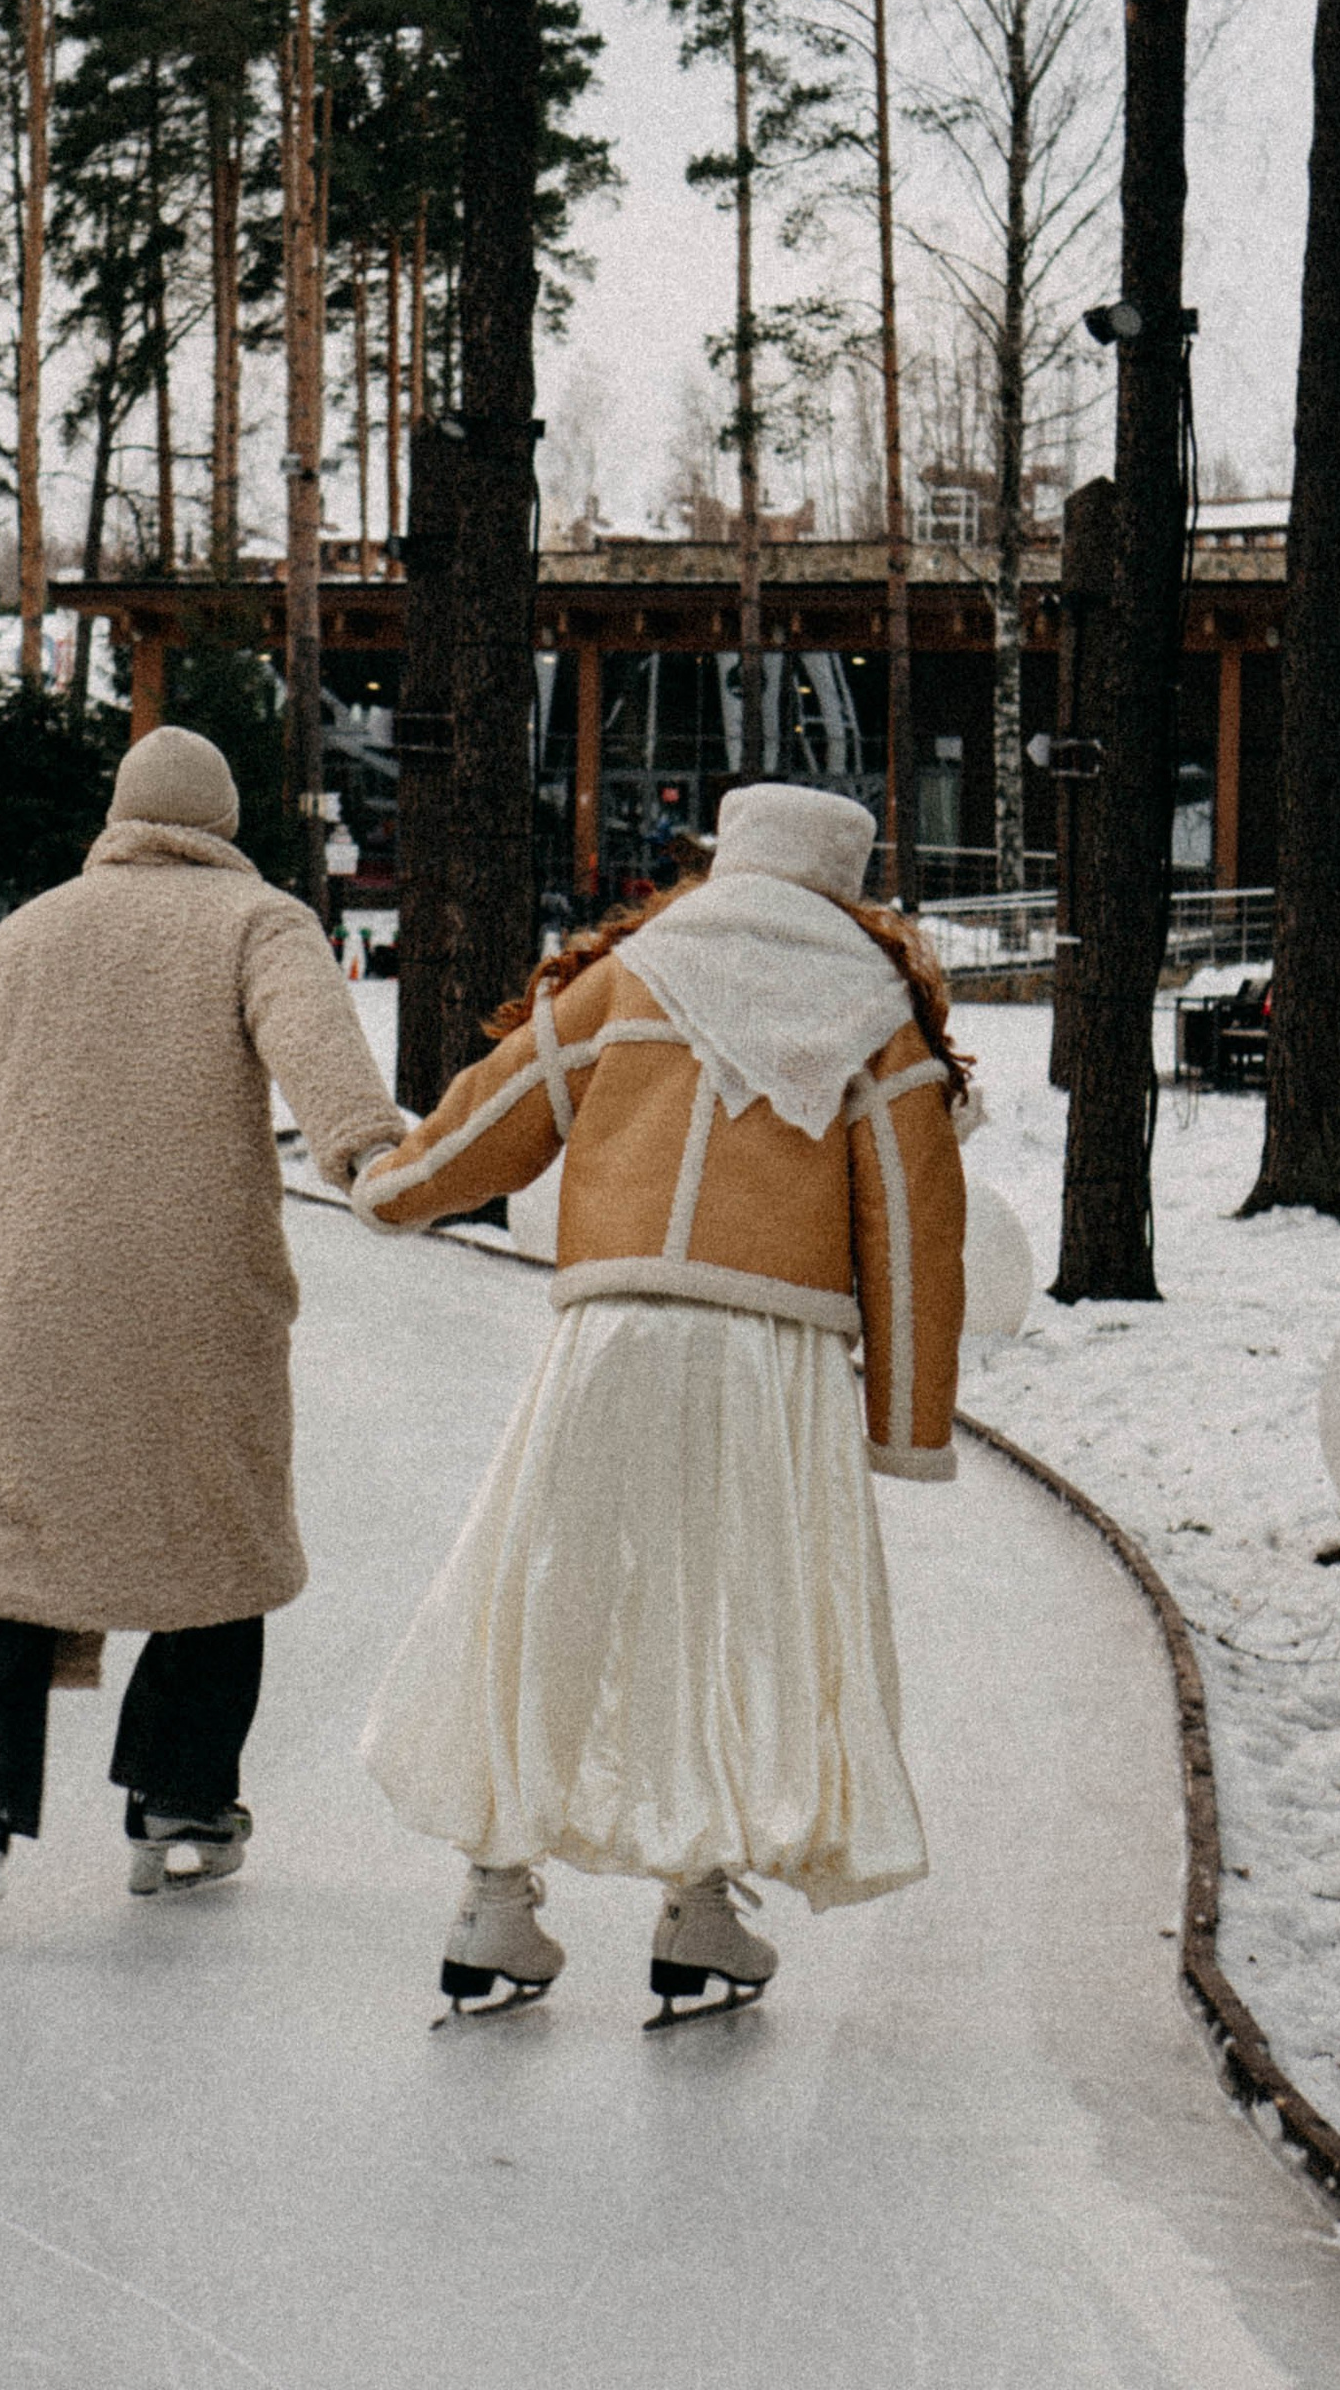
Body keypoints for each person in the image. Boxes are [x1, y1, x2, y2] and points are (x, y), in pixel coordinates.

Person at [354, 781, 967, 2025]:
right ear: (845, 878)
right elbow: (914, 1231)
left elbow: (496, 1119)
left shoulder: (630, 976)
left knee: (548, 1595)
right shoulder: (876, 1017)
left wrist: (389, 1182)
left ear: (721, 860)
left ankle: (496, 1896)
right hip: (771, 1360)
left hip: (611, 1333)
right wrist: (906, 1424)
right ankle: (696, 1906)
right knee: (732, 1617)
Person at [0, 724, 405, 1931]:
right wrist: (370, 1153)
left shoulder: (25, 934)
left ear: (120, 817)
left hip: (27, 1296)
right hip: (203, 1294)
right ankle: (181, 1803)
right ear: (224, 825)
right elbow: (318, 1049)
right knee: (215, 1531)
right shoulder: (259, 922)